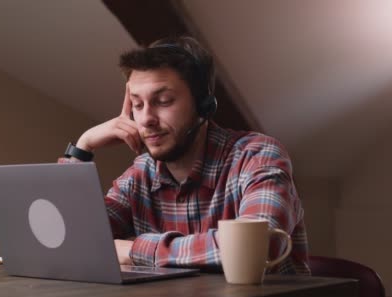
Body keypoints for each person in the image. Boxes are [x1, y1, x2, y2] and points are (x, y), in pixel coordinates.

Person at [60, 36, 310, 275]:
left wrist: (136, 249)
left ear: (204, 106)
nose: (146, 119)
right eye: (137, 104)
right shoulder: (141, 173)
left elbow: (256, 248)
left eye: (164, 101)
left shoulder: (257, 156)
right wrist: (83, 147)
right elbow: (67, 238)